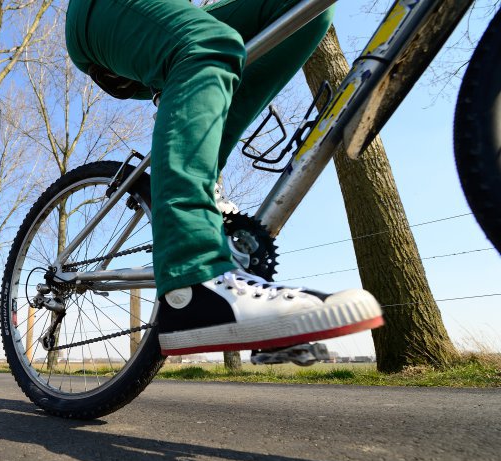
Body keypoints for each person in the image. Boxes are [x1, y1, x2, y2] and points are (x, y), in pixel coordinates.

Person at [65, 0, 384, 355]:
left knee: (307, 10)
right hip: (101, 13)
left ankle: (206, 192)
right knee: (206, 43)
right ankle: (194, 276)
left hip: (165, 13)